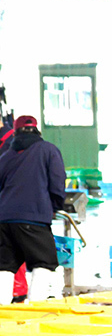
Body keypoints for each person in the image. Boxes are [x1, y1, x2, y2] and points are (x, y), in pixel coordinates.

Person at [0, 115, 65, 303]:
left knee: (5, 264)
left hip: (4, 220)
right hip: (33, 218)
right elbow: (57, 182)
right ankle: (35, 307)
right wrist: (54, 206)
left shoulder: (6, 156)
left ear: (15, 132)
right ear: (37, 130)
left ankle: (3, 312)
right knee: (44, 261)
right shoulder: (48, 150)